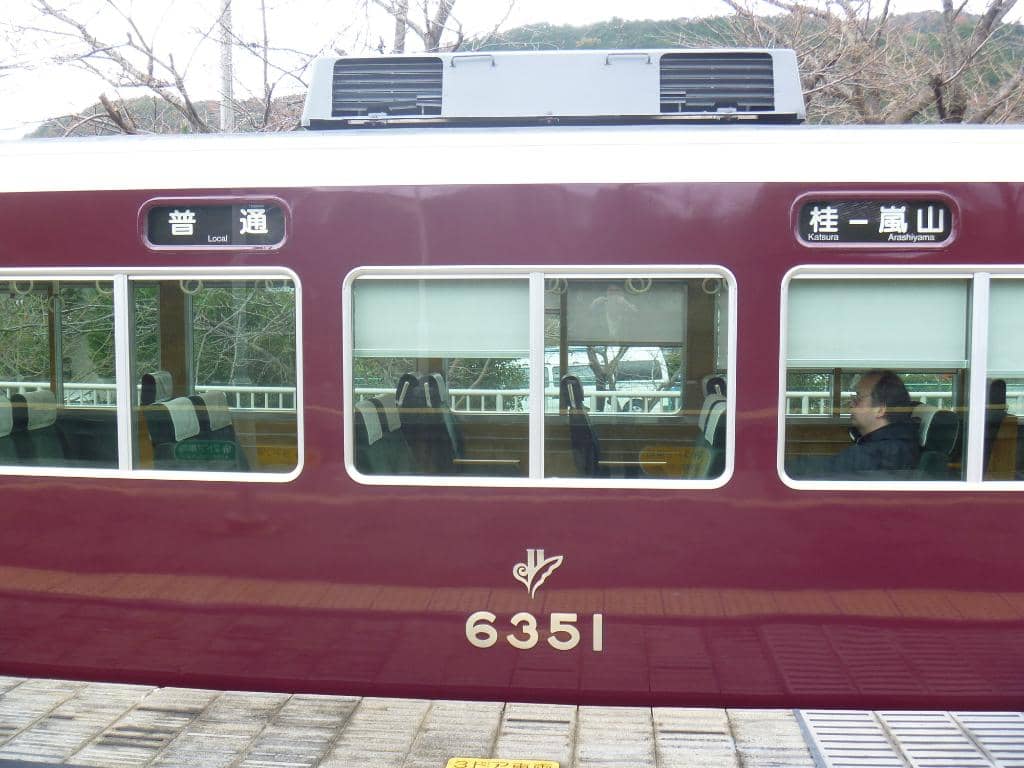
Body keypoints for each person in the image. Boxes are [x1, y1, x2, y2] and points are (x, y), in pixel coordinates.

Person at [828, 370, 920, 477]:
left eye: (858, 399)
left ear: (880, 409)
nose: (851, 403)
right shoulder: (896, 445)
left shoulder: (876, 456)